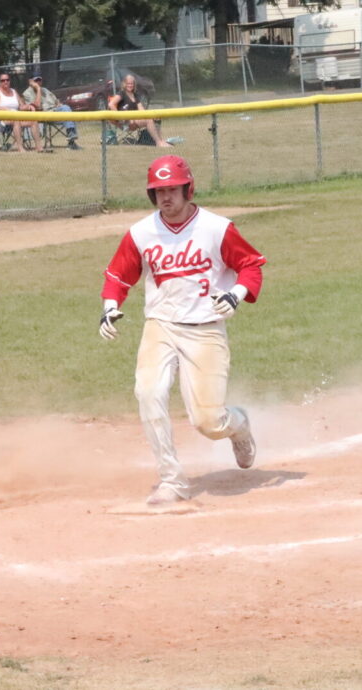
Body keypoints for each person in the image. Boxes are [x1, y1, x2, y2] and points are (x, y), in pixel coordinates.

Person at [99, 155, 266, 505]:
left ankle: (238, 427)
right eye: (158, 192)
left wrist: (236, 294)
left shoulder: (217, 228)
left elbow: (250, 265)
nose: (166, 198)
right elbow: (118, 275)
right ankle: (172, 480)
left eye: (172, 190)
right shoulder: (142, 232)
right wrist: (110, 307)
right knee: (148, 393)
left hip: (205, 330)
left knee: (208, 422)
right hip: (160, 325)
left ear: (188, 189)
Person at [107, 74, 171, 147]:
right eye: (128, 83)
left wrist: (152, 115)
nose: (130, 85)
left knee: (156, 117)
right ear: (124, 84)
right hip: (126, 123)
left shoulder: (135, 95)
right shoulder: (122, 93)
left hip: (135, 120)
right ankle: (158, 143)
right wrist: (119, 118)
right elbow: (111, 104)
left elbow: (142, 111)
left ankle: (161, 141)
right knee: (148, 120)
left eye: (132, 83)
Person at [23, 73, 81, 150]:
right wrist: (38, 89)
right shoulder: (27, 93)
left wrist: (59, 104)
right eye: (36, 80)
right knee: (67, 111)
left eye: (40, 80)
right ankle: (71, 139)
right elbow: (38, 106)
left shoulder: (45, 90)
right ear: (31, 82)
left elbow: (56, 101)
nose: (38, 82)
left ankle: (71, 140)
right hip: (43, 114)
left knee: (67, 110)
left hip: (55, 111)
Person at [0, 73, 41, 153]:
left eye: (7, 80)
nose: (5, 82)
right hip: (1, 120)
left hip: (16, 117)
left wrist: (28, 106)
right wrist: (5, 109)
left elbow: (20, 106)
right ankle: (20, 147)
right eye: (3, 80)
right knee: (16, 120)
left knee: (33, 120)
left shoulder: (13, 91)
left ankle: (39, 147)